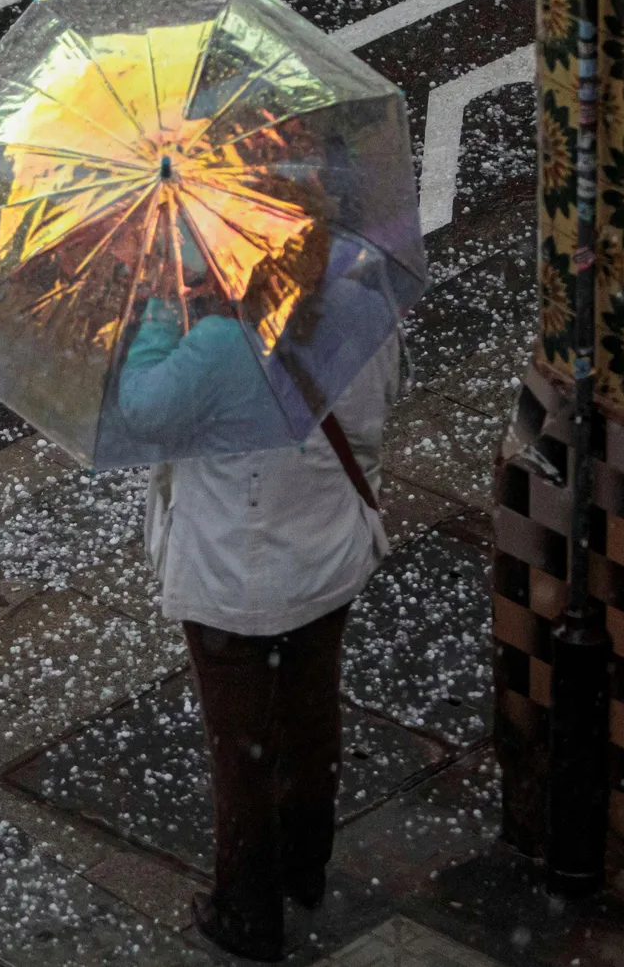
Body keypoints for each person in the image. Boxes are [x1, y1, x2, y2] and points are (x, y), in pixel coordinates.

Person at [117, 211, 402, 962]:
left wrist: (157, 305)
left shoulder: (218, 342)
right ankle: (305, 863)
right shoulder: (362, 304)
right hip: (328, 558)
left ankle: (249, 912)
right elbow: (386, 396)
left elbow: (142, 408)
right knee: (311, 713)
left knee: (241, 749)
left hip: (232, 581)